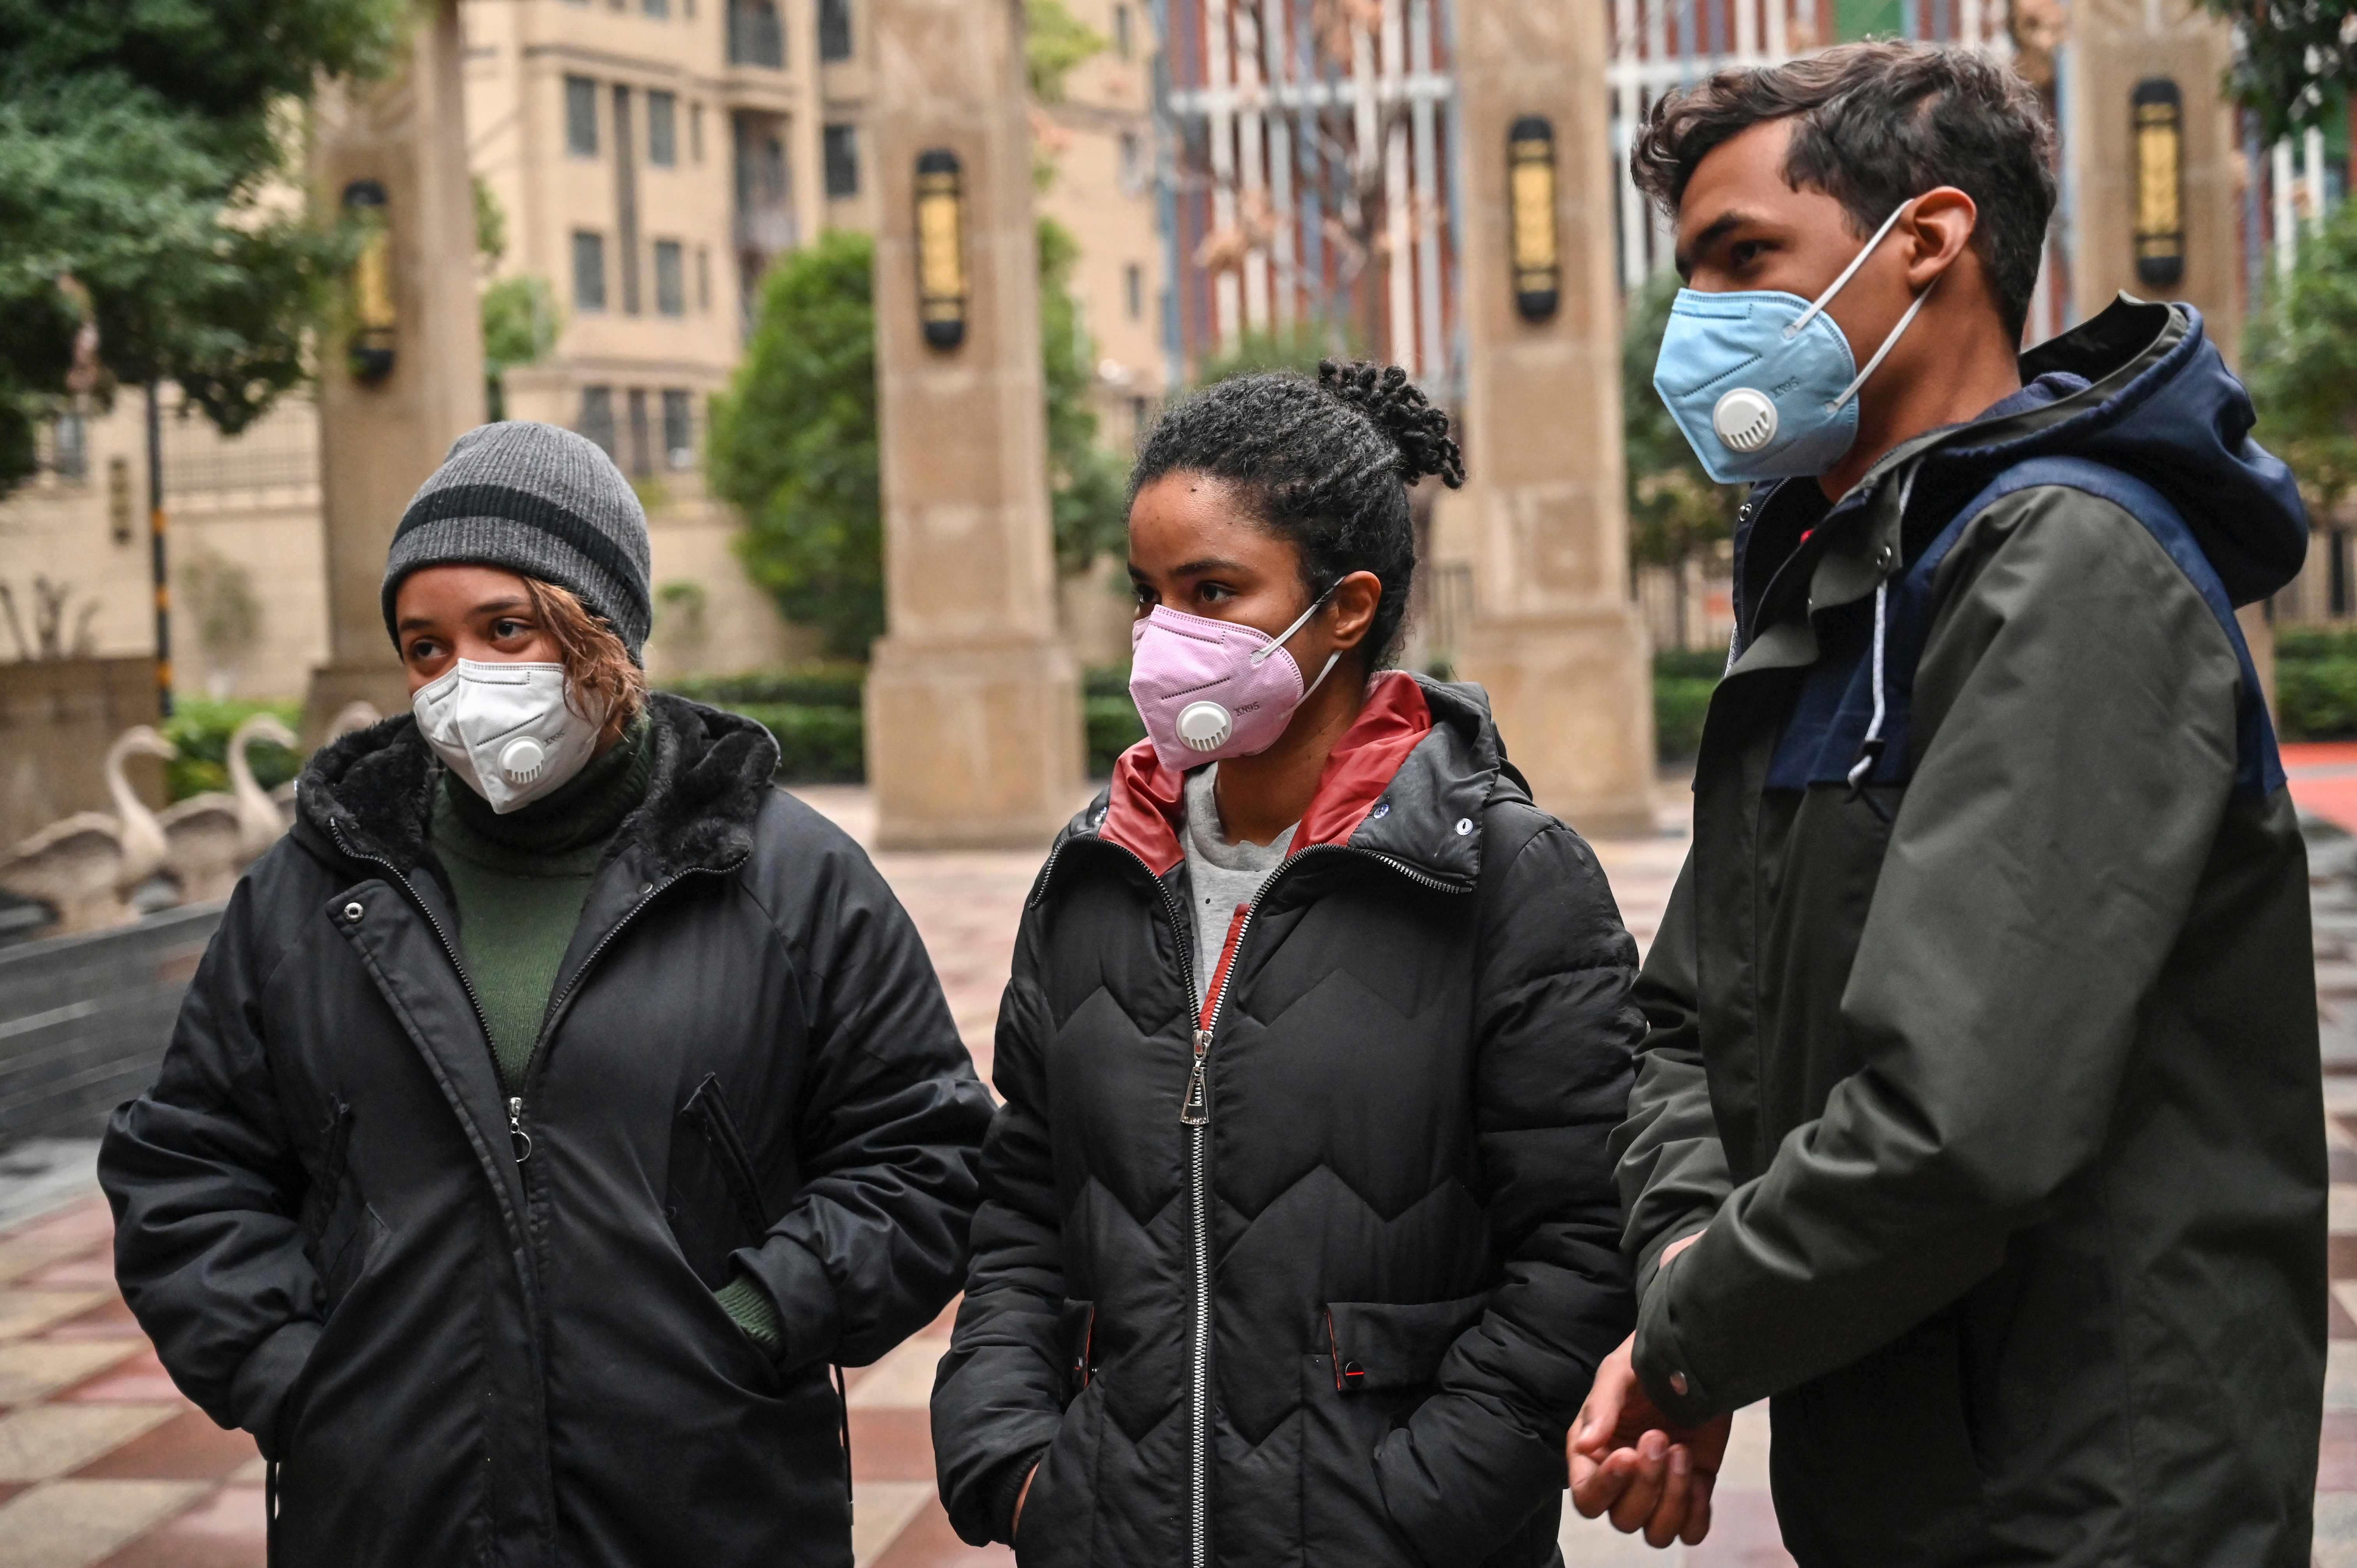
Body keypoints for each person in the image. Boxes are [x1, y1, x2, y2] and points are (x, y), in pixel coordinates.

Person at [1569, 40, 2324, 1566]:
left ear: (1927, 238)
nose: (1698, 320)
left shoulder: (2067, 570)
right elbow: (1687, 1026)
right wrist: (1689, 1259)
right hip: (1900, 1483)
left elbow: (1960, 1123)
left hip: (2090, 1504)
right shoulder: (1839, 591)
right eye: (1693, 270)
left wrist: (1690, 1342)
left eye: (1744, 258)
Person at [101, 422, 996, 1566]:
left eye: (505, 628)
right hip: (391, 1520)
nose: (462, 680)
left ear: (601, 627)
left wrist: (752, 1322)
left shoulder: (786, 878)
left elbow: (923, 1153)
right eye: (426, 647)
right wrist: (300, 1378)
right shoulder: (311, 892)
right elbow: (186, 1168)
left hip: (704, 1512)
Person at [929, 362, 1646, 1568]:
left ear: (1347, 608)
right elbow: (1025, 1210)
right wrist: (1017, 1468)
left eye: (1213, 592)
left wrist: (1406, 1510)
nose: (1164, 637)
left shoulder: (1510, 880)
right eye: (1149, 596)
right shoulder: (1096, 874)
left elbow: (1584, 1246)